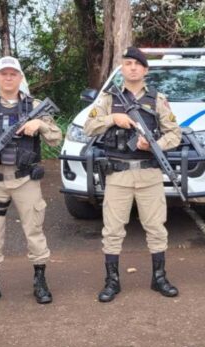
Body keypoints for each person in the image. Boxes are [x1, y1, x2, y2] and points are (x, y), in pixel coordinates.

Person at [83, 46, 182, 303]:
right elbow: (88, 126)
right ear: (122, 69)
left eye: (137, 64)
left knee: (156, 228)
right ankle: (112, 280)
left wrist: (155, 144)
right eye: (128, 63)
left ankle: (159, 277)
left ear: (145, 70)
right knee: (113, 230)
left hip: (149, 174)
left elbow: (175, 134)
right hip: (118, 174)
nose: (133, 67)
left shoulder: (157, 100)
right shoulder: (108, 99)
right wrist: (113, 119)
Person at [0, 56, 62, 308]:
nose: (8, 78)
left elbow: (56, 138)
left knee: (34, 229)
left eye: (13, 74)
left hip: (25, 179)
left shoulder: (35, 106)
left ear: (20, 78)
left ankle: (40, 282)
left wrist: (39, 123)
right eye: (3, 74)